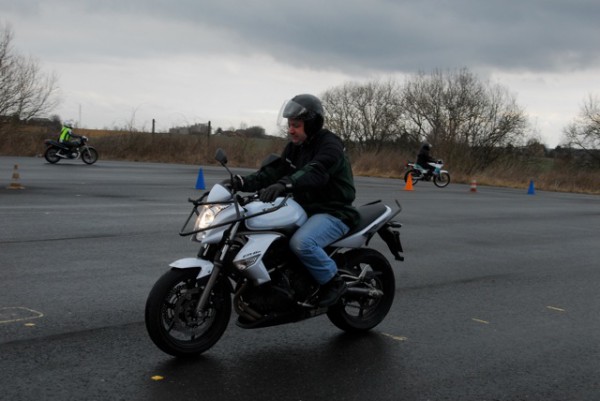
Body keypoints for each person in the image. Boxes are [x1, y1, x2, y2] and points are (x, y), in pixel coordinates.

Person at [230, 94, 360, 308]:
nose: (290, 130)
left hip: (334, 211)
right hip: (303, 209)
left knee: (302, 243)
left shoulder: (330, 145)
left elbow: (315, 171)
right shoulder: (294, 147)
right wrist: (241, 182)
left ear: (312, 124)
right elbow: (273, 172)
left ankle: (333, 283)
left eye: (296, 125)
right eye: (289, 125)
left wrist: (285, 184)